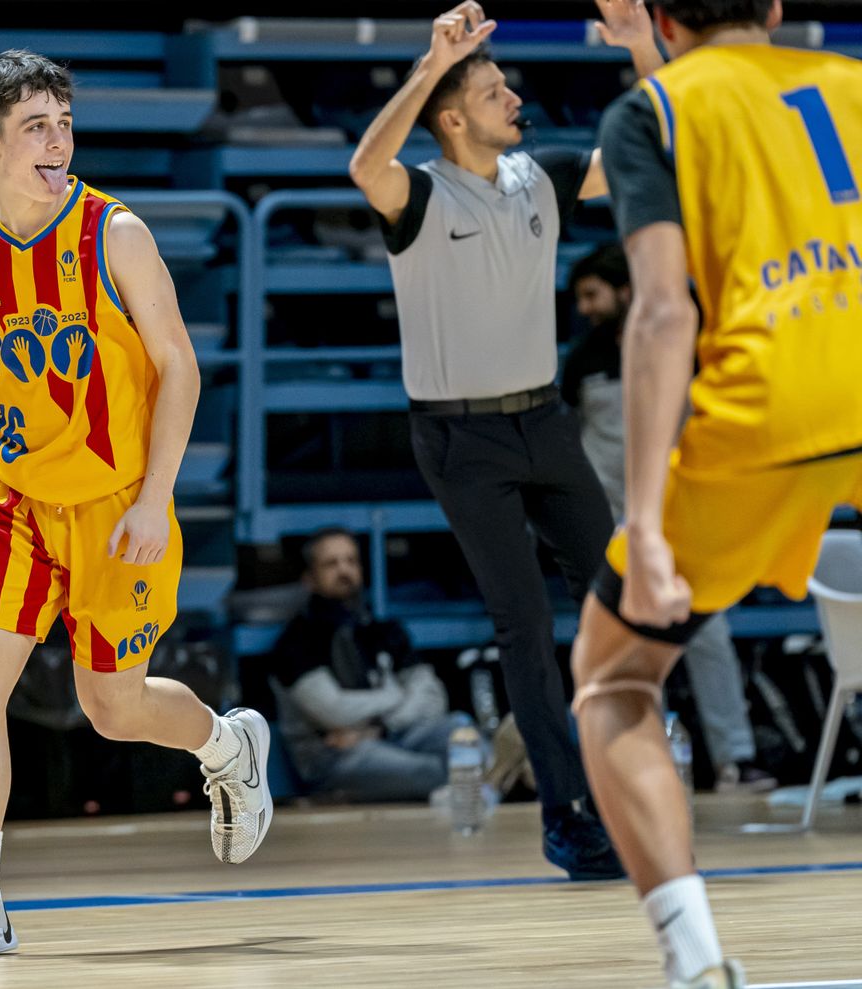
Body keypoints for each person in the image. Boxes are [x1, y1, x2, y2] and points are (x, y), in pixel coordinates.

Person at [0, 50, 272, 961]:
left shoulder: (117, 235)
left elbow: (180, 365)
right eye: (35, 126)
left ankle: (225, 747)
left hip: (116, 504)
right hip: (16, 497)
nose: (56, 141)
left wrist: (156, 498)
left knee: (111, 705)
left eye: (64, 122)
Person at [572, 0, 862, 984]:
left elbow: (661, 311)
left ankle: (696, 963)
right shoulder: (853, 84)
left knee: (613, 679)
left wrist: (643, 521)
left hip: (771, 405)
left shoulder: (651, 111)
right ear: (778, 9)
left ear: (656, 14)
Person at [347, 0, 662, 880]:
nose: (512, 97)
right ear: (452, 119)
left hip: (544, 421)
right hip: (459, 439)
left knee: (617, 600)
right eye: (492, 90)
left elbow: (664, 144)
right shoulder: (415, 193)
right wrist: (432, 60)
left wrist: (640, 46)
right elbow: (363, 161)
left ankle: (618, 781)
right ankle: (566, 816)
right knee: (524, 626)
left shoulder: (544, 176)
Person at [563, 245, 775, 795]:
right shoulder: (582, 359)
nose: (585, 307)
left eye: (593, 294)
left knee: (709, 636)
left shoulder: (684, 346)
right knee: (600, 652)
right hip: (605, 525)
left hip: (677, 518)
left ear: (625, 290)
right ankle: (609, 771)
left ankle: (735, 758)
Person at [269, 529, 453, 802]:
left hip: (392, 734)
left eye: (351, 561)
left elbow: (434, 698)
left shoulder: (382, 630)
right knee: (435, 771)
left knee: (461, 732)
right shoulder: (296, 642)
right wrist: (395, 696)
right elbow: (336, 713)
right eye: (331, 564)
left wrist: (380, 728)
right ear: (309, 578)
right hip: (333, 756)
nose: (344, 571)